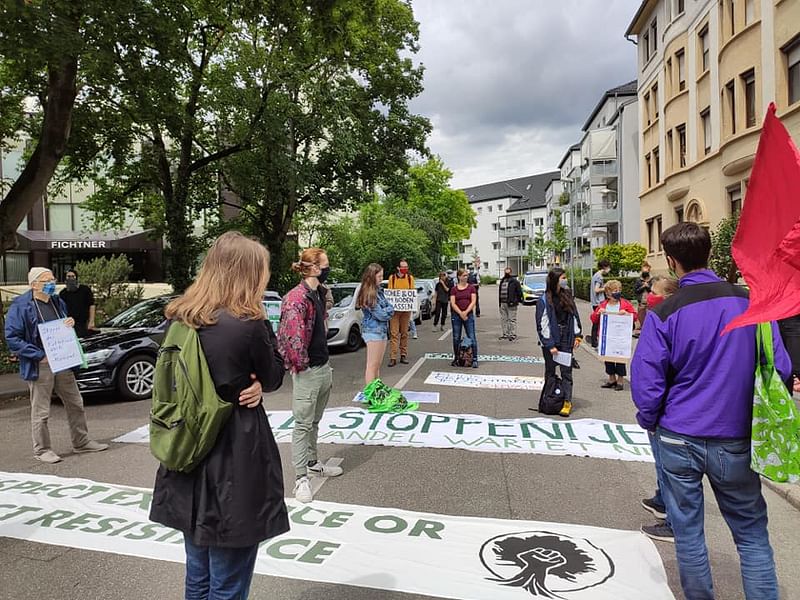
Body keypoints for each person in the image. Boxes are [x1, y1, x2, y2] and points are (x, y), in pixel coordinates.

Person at [632, 222, 790, 600]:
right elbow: (779, 368)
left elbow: (647, 382)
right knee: (751, 534)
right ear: (708, 253)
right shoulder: (752, 303)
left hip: (678, 434)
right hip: (735, 435)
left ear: (672, 262)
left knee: (688, 534)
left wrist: (651, 421)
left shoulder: (665, 311)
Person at [149, 232, 287, 600]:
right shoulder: (248, 324)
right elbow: (272, 375)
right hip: (234, 455)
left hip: (186, 451)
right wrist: (257, 378)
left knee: (198, 572)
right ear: (247, 274)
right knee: (228, 580)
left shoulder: (179, 318)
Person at [4, 267, 108, 464]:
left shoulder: (57, 301)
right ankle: (42, 450)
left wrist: (68, 322)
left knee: (75, 403)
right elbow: (12, 338)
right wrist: (38, 355)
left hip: (63, 361)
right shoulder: (21, 306)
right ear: (33, 284)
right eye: (47, 281)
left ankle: (81, 441)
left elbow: (63, 326)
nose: (52, 283)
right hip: (41, 365)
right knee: (41, 411)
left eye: (53, 279)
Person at [277, 247, 342, 504]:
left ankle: (313, 463)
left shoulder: (318, 293)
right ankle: (300, 478)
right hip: (308, 370)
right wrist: (302, 367)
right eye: (326, 264)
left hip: (323, 366)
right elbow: (291, 338)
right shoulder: (296, 298)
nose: (328, 268)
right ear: (314, 268)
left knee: (314, 422)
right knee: (302, 425)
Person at [638, 274, 679, 542]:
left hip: (668, 410)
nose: (648, 295)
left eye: (653, 291)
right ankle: (662, 500)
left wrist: (648, 414)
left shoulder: (664, 317)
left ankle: (673, 522)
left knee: (668, 465)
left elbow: (650, 370)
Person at [535, 268, 582, 417]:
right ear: (555, 279)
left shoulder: (567, 295)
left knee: (566, 371)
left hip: (566, 338)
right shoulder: (544, 299)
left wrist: (577, 335)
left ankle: (567, 401)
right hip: (552, 338)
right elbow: (542, 323)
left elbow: (574, 316)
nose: (565, 280)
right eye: (563, 277)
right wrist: (549, 344)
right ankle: (549, 398)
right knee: (550, 371)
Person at [590, 280, 636, 391]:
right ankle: (611, 379)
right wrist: (598, 313)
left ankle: (620, 380)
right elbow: (593, 319)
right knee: (608, 358)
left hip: (620, 337)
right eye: (615, 290)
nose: (618, 292)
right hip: (607, 336)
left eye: (619, 290)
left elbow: (634, 316)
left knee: (620, 358)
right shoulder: (603, 305)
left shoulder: (625, 304)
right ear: (608, 293)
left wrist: (627, 314)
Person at [357, 263, 394, 385]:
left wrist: (388, 311)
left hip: (381, 331)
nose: (381, 279)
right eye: (379, 276)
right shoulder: (368, 293)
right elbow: (382, 315)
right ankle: (371, 393)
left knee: (377, 366)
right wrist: (388, 311)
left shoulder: (379, 291)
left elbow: (389, 308)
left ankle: (377, 390)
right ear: (372, 276)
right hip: (373, 331)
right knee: (372, 366)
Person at [387, 259, 415, 367]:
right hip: (394, 311)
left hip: (406, 310)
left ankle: (403, 355)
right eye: (403, 267)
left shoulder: (410, 278)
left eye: (406, 267)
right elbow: (390, 294)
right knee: (394, 333)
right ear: (398, 268)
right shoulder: (392, 278)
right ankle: (393, 357)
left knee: (404, 333)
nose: (405, 269)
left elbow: (412, 293)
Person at [450, 268, 478, 368]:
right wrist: (460, 312)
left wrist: (465, 312)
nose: (466, 277)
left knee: (472, 337)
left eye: (467, 275)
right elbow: (453, 303)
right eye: (464, 275)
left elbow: (473, 301)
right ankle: (457, 358)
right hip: (456, 315)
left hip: (468, 315)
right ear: (459, 277)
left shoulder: (471, 288)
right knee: (456, 337)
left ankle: (474, 358)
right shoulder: (454, 289)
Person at [58, 269, 96, 338]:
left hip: (84, 323)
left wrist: (91, 321)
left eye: (73, 276)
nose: (71, 278)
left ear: (76, 278)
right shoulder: (62, 293)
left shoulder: (85, 289)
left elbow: (92, 305)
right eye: (68, 276)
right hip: (69, 324)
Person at [589, 259, 611, 347]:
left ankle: (594, 341)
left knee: (596, 322)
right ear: (605, 267)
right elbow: (596, 289)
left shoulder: (595, 275)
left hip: (595, 302)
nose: (609, 269)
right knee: (598, 323)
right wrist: (606, 288)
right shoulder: (599, 277)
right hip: (599, 302)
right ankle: (595, 341)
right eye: (609, 267)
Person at [498, 267, 523, 341]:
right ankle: (505, 334)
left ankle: (512, 334)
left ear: (511, 273)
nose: (507, 274)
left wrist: (517, 301)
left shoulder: (514, 282)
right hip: (503, 303)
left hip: (512, 304)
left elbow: (519, 292)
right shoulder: (502, 281)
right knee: (504, 319)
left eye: (508, 272)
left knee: (512, 319)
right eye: (506, 272)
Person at [633, 270, 652, 336]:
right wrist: (642, 286)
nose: (647, 279)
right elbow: (636, 290)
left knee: (649, 315)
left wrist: (648, 286)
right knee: (641, 314)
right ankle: (640, 329)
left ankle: (648, 329)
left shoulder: (650, 281)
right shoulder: (638, 281)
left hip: (650, 301)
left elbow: (652, 290)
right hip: (641, 301)